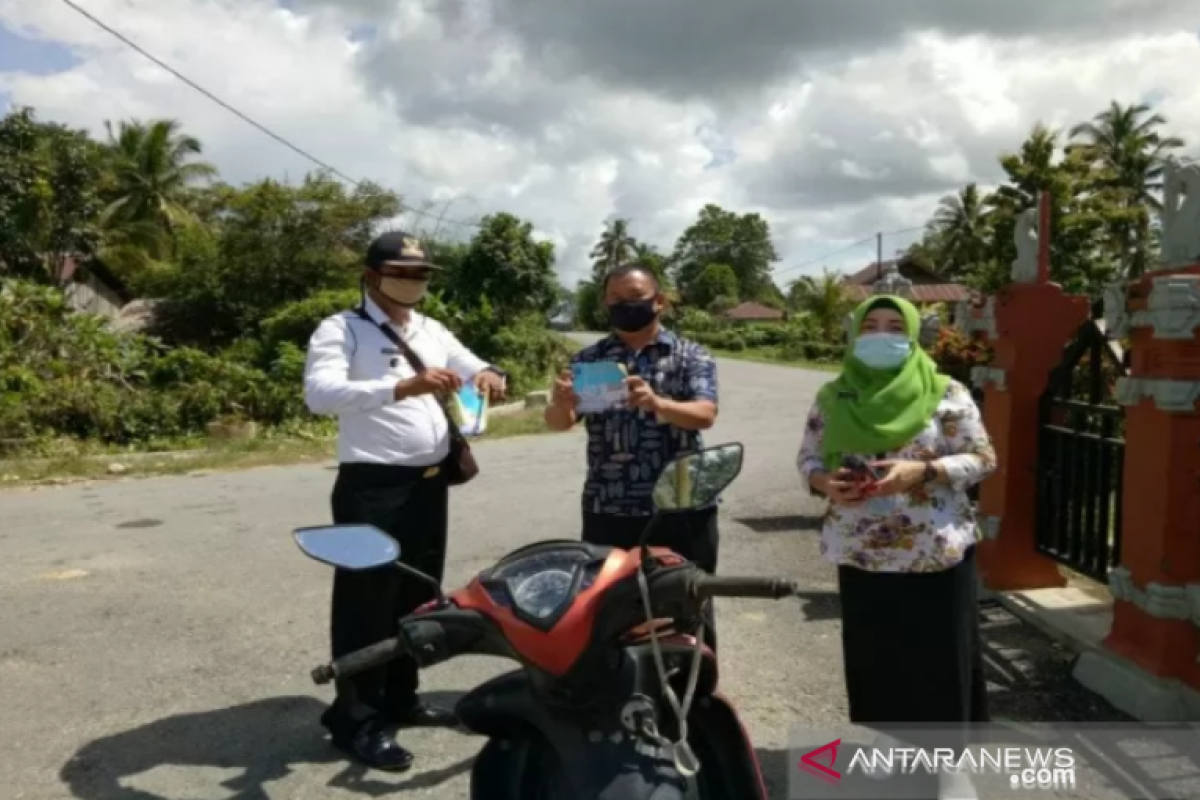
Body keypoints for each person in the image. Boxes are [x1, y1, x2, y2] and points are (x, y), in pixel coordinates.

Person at [303, 230, 507, 771]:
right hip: (371, 487)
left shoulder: (431, 328)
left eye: (421, 274)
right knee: (364, 603)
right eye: (402, 272)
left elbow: (472, 364)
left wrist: (486, 373)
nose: (413, 282)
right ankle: (355, 720)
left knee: (416, 596)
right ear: (371, 276)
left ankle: (400, 699)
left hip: (428, 484)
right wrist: (400, 388)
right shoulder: (340, 329)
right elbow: (319, 394)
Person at [795, 295, 996, 800]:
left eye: (893, 325)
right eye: (871, 326)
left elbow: (984, 459)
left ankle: (950, 769)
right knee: (878, 658)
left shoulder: (946, 391)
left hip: (934, 549)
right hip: (862, 549)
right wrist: (825, 483)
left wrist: (924, 471)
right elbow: (807, 458)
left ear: (912, 333)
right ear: (855, 334)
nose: (882, 335)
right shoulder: (834, 394)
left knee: (939, 658)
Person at [544, 263, 721, 650]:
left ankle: (694, 697)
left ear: (659, 302)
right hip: (609, 505)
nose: (623, 306)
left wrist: (657, 403)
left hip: (682, 504)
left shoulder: (690, 356)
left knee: (688, 605)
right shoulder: (590, 361)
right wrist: (560, 402)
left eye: (634, 298)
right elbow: (560, 422)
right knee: (612, 609)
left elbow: (705, 414)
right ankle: (623, 697)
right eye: (614, 299)